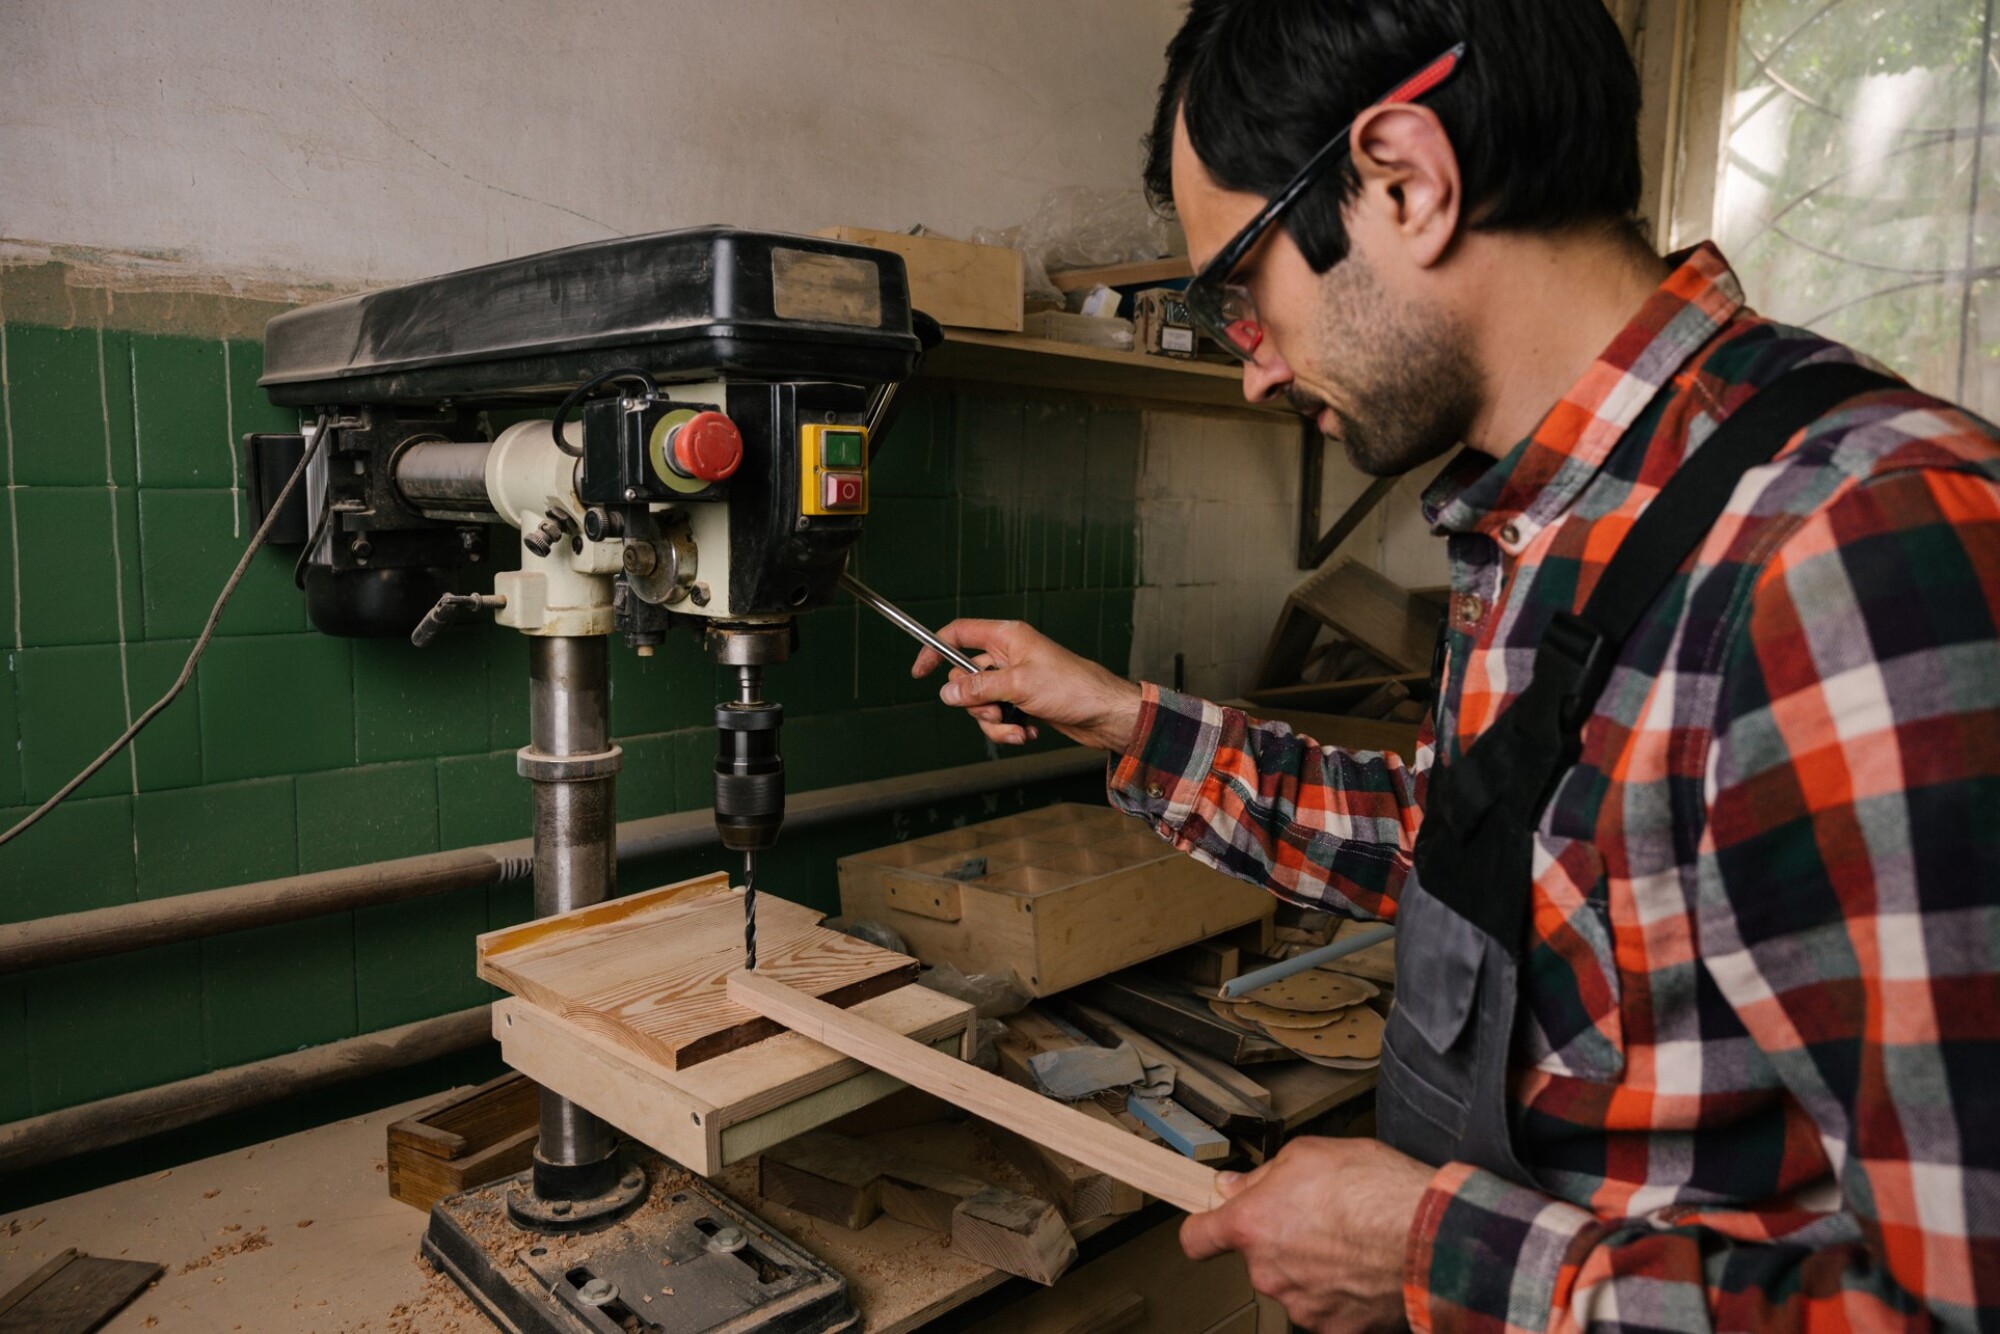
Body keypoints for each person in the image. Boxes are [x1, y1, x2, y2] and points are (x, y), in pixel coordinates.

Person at [910, 1, 2000, 1329]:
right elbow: (1486, 858)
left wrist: (1429, 1254)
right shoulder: (1557, 518)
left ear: (1406, 180)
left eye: (1241, 292)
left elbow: (1954, 1301)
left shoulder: (1855, 549)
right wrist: (1124, 719)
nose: (1253, 370)